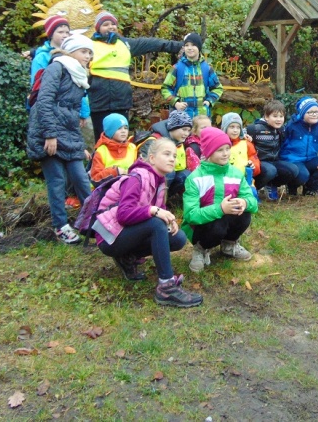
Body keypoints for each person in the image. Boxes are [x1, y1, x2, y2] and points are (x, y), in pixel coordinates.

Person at [92, 138, 202, 308]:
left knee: (177, 238)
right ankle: (166, 287)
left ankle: (127, 258)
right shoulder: (137, 178)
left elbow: (156, 209)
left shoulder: (160, 181)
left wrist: (168, 220)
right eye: (166, 154)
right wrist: (154, 211)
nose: (172, 159)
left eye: (174, 155)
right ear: (152, 158)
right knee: (156, 224)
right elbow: (124, 215)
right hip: (109, 237)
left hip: (124, 231)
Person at [26, 34, 95, 244]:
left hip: (68, 133)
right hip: (47, 132)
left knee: (81, 178)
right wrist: (50, 135)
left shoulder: (79, 75)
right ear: (71, 51)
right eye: (84, 51)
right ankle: (61, 226)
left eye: (90, 53)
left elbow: (72, 114)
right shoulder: (57, 68)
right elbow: (44, 101)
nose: (88, 56)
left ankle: (94, 222)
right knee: (56, 180)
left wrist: (79, 144)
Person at [88, 10, 182, 136]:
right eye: (105, 24)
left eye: (113, 24)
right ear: (98, 28)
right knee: (101, 138)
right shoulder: (89, 45)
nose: (110, 27)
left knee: (121, 138)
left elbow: (153, 44)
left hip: (121, 102)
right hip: (99, 102)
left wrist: (182, 46)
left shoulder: (125, 44)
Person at [183, 127, 258, 273]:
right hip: (202, 226)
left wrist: (245, 202)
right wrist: (220, 209)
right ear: (208, 152)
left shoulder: (236, 173)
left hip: (225, 219)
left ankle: (229, 244)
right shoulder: (195, 178)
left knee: (244, 214)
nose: (225, 153)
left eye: (227, 148)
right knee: (217, 224)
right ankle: (200, 248)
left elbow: (253, 202)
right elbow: (190, 215)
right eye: (219, 150)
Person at [29, 15, 90, 124]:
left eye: (67, 32)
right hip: (53, 112)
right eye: (60, 32)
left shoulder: (74, 55)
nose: (65, 35)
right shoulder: (41, 57)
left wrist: (84, 112)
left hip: (72, 111)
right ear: (51, 34)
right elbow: (38, 87)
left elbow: (80, 86)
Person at [280, 96, 318, 197]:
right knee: (303, 175)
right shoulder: (292, 126)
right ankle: (291, 187)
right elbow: (280, 144)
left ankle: (310, 188)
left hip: (310, 160)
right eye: (310, 112)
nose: (314, 114)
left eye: (316, 111)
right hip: (293, 161)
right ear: (302, 113)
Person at [245, 99, 300, 201]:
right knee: (271, 170)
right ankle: (252, 189)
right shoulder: (255, 129)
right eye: (275, 116)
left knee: (293, 170)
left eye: (281, 116)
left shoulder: (281, 130)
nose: (278, 119)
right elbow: (238, 135)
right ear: (266, 117)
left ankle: (271, 185)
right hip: (259, 162)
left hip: (274, 160)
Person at [160, 32, 223, 119]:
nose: (190, 48)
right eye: (187, 45)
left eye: (193, 45)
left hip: (202, 118)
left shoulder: (206, 69)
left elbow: (218, 88)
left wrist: (209, 101)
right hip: (181, 118)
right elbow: (165, 88)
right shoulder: (177, 68)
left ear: (199, 47)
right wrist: (176, 103)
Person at [150, 109, 193, 198]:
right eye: (184, 129)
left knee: (186, 174)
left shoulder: (179, 140)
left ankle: (166, 197)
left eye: (189, 130)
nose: (186, 134)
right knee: (170, 173)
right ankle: (154, 197)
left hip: (171, 173)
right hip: (153, 176)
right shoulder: (156, 140)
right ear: (173, 127)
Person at [220, 112, 260, 197]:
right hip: (223, 180)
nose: (235, 130)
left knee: (252, 195)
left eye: (238, 127)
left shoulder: (246, 144)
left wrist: (254, 166)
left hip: (244, 180)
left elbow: (254, 158)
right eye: (232, 127)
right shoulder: (219, 144)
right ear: (225, 128)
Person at [90, 113, 137, 183]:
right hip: (108, 188)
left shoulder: (132, 148)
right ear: (110, 131)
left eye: (126, 128)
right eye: (119, 128)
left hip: (129, 186)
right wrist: (115, 172)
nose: (123, 131)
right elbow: (95, 179)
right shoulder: (102, 151)